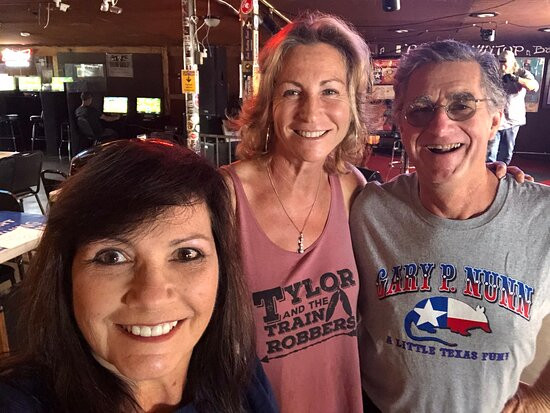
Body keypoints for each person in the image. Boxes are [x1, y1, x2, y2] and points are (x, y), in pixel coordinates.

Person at [0, 139, 278, 413]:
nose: (151, 297)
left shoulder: (239, 374)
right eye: (112, 257)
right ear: (65, 274)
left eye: (186, 254)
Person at [350, 39, 550, 413]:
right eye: (421, 109)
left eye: (462, 106)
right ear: (400, 123)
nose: (441, 126)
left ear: (495, 119)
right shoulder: (368, 211)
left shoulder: (543, 218)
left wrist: (544, 396)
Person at [224, 12, 370, 413]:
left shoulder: (351, 187)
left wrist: (497, 181)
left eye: (330, 91)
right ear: (268, 103)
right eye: (292, 91)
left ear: (351, 105)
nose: (311, 112)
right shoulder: (225, 196)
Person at [486, 50, 539, 164]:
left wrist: (516, 79)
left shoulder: (522, 73)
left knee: (506, 154)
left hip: (512, 121)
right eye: (500, 61)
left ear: (512, 62)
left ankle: (503, 173)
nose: (501, 65)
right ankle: (490, 173)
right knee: (490, 154)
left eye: (504, 62)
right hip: (494, 119)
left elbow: (533, 86)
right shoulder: (493, 73)